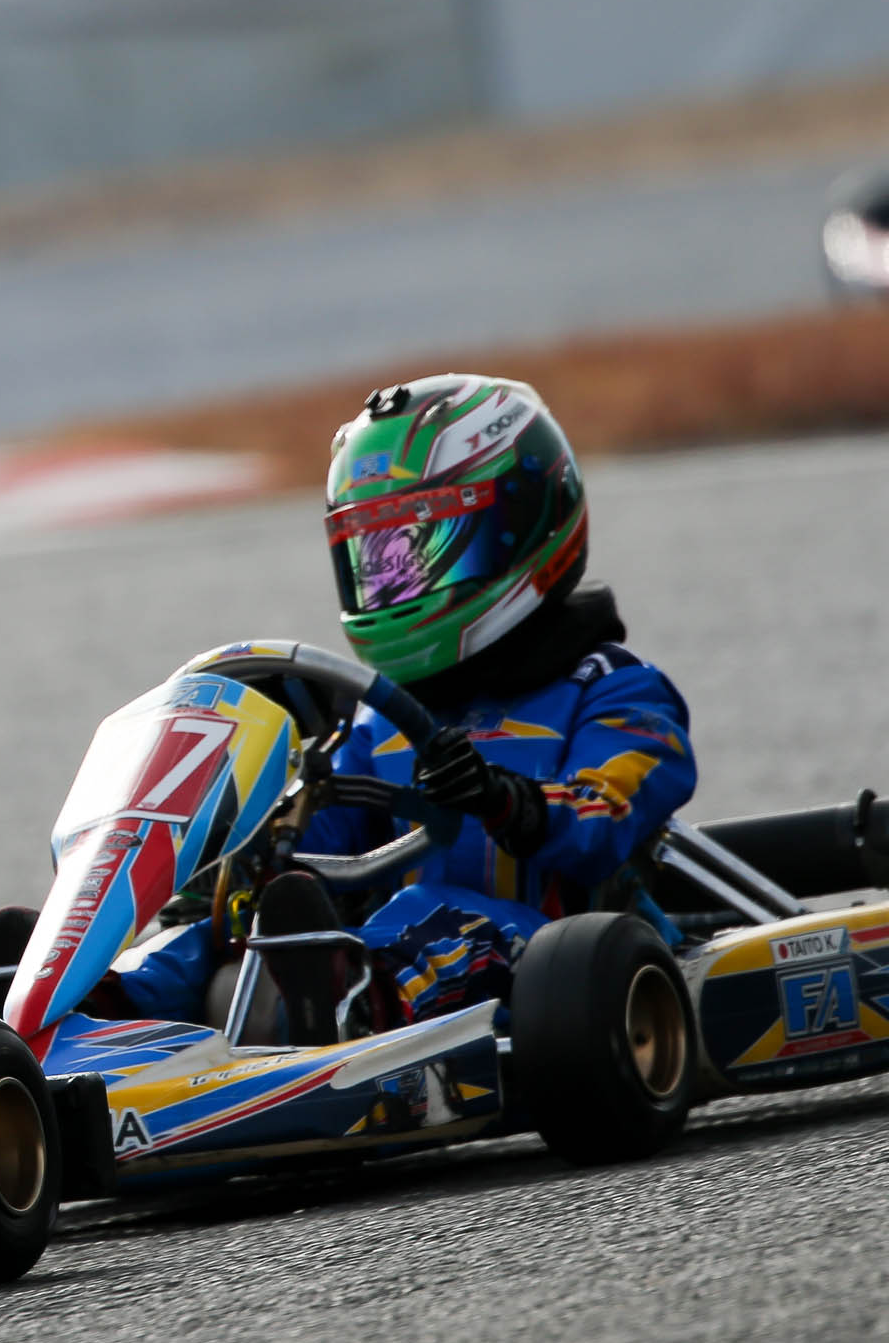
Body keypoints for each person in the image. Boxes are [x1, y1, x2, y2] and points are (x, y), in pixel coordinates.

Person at [112, 374, 695, 1038]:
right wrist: (254, 846)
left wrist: (503, 800)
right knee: (212, 935)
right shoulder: (384, 719)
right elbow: (326, 850)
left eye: (421, 550)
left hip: (566, 958)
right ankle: (101, 1011)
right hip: (386, 951)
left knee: (428, 912)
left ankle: (357, 1006)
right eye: (378, 560)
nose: (394, 579)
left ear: (521, 524)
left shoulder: (616, 691)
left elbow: (605, 820)